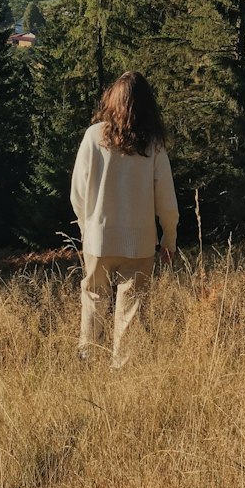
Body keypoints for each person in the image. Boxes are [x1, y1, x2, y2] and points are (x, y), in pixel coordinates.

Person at [69, 70, 179, 367]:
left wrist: (85, 227)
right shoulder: (153, 145)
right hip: (141, 242)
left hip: (98, 238)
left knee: (93, 298)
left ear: (112, 100)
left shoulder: (93, 137)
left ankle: (88, 360)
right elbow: (166, 201)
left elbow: (77, 193)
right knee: (131, 307)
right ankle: (123, 368)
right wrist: (169, 237)